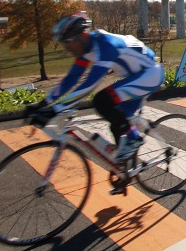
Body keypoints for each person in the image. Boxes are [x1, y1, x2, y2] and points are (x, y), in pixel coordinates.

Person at [26, 12, 164, 172]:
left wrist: (56, 109)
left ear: (82, 35)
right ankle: (125, 172)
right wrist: (44, 103)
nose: (66, 48)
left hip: (150, 73)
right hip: (135, 76)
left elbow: (89, 85)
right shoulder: (87, 50)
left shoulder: (105, 45)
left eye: (68, 42)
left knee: (102, 100)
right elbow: (71, 79)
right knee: (118, 124)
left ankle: (134, 140)